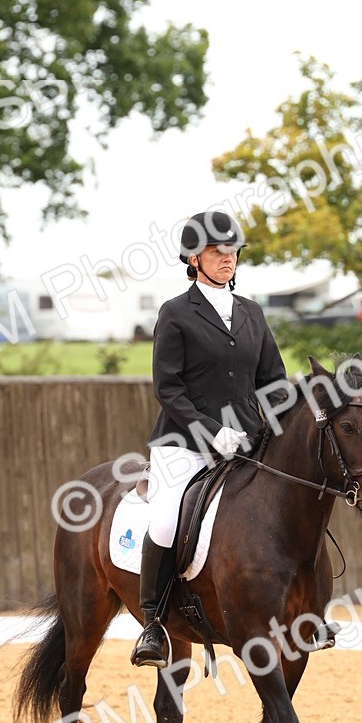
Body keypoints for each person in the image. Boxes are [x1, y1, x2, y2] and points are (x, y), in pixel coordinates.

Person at [131, 209, 289, 667]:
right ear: (193, 258)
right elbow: (168, 389)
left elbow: (273, 380)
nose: (227, 258)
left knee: (289, 504)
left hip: (247, 441)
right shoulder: (176, 313)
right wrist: (210, 431)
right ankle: (153, 626)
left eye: (232, 251)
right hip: (184, 443)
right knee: (164, 521)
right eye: (218, 252)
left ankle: (305, 608)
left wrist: (280, 429)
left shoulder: (252, 313)